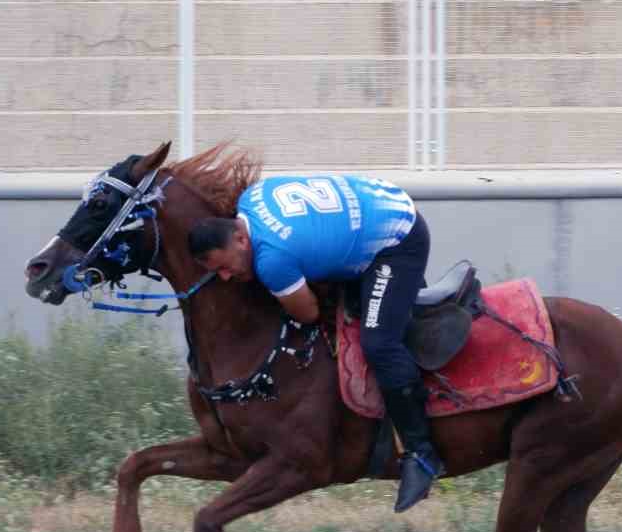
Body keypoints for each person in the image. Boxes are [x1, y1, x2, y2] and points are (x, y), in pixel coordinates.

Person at [188, 174, 443, 511]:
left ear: (240, 238)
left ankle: (421, 453)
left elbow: (307, 312)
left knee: (379, 342)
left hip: (399, 239)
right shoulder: (251, 198)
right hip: (382, 203)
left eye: (224, 266)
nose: (225, 277)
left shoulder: (272, 262)